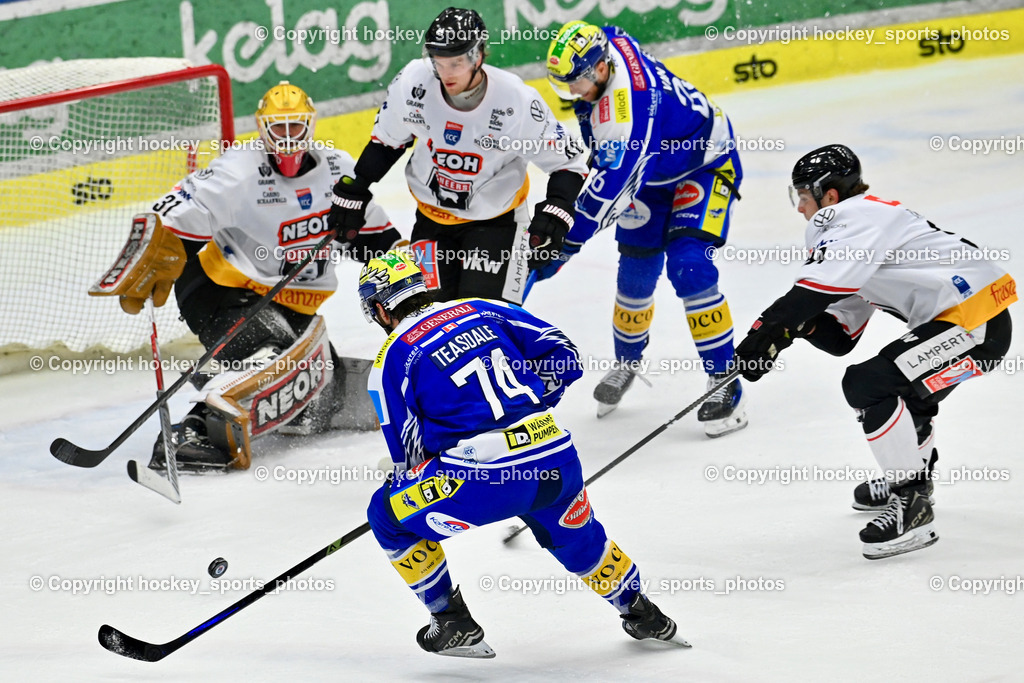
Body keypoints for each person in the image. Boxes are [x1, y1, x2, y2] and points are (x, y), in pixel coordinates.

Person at [358, 249, 688, 657]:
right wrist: (530, 410)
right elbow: (564, 355)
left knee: (386, 517)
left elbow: (409, 454)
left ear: (379, 308)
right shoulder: (483, 307)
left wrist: (412, 477)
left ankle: (451, 620)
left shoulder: (390, 358)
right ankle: (644, 614)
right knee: (575, 536)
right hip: (556, 458)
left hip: (482, 480)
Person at [92, 81, 402, 472]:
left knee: (318, 397)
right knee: (274, 355)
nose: (287, 137)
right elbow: (180, 209)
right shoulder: (240, 169)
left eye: (295, 126)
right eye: (278, 128)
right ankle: (192, 431)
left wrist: (407, 283)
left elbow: (377, 241)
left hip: (289, 303)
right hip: (220, 288)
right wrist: (160, 246)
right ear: (261, 128)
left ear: (310, 125)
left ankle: (218, 372)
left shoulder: (338, 170)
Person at [733, 144, 1016, 559]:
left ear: (829, 195)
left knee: (868, 384)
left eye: (803, 197)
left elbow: (812, 292)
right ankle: (915, 478)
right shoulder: (861, 232)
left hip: (976, 324)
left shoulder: (852, 217)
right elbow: (840, 336)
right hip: (972, 324)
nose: (800, 208)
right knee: (903, 391)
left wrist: (766, 329)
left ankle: (912, 501)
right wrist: (798, 326)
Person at [538, 21, 747, 435]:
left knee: (690, 267)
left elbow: (609, 190)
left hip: (704, 166)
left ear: (601, 69)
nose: (572, 93)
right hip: (654, 173)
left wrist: (566, 243)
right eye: (565, 84)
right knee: (635, 272)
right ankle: (627, 362)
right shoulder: (609, 48)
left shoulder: (626, 114)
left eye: (577, 82)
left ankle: (726, 379)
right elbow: (612, 29)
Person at [328, 7, 589, 307]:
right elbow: (387, 142)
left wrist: (556, 209)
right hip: (431, 221)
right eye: (438, 62)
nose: (446, 73)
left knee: (485, 318)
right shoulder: (413, 84)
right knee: (429, 320)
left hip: (497, 224)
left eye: (456, 62)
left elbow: (568, 162)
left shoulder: (516, 102)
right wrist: (357, 187)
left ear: (477, 56)